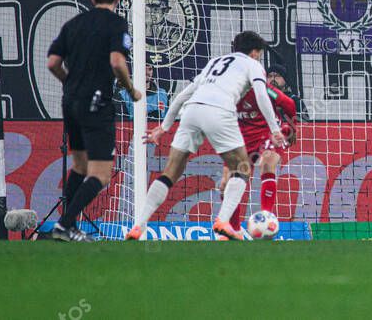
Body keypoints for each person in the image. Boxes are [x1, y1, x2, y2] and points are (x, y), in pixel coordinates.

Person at [126, 31, 285, 241]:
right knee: (243, 167)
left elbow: (184, 94)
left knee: (170, 173)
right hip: (219, 110)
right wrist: (274, 129)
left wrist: (163, 127)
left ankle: (138, 225)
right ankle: (223, 221)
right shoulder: (253, 65)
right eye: (259, 53)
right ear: (255, 52)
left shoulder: (215, 62)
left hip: (191, 111)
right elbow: (262, 95)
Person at [46, 0, 141, 242]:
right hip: (97, 103)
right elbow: (116, 61)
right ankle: (64, 224)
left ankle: (68, 225)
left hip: (70, 102)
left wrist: (71, 82)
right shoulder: (116, 24)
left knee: (79, 166)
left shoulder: (74, 23)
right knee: (100, 173)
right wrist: (130, 89)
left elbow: (52, 62)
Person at [219, 67, 298, 238]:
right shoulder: (225, 93)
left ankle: (266, 217)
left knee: (267, 162)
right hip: (241, 138)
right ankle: (235, 230)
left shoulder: (263, 89)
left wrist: (292, 128)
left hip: (267, 132)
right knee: (227, 184)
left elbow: (289, 104)